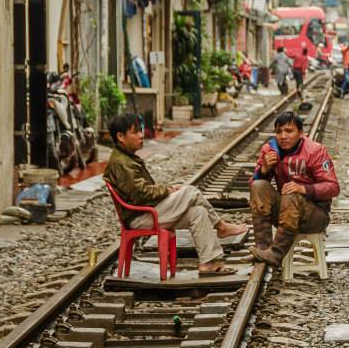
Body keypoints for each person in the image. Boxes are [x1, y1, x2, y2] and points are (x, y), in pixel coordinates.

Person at [104, 113, 247, 276]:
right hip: (141, 217)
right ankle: (221, 226)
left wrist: (168, 189)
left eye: (140, 131)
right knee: (191, 191)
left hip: (147, 211)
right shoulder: (121, 163)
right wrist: (167, 191)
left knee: (198, 213)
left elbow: (141, 191)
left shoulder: (126, 158)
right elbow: (140, 194)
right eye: (135, 132)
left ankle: (208, 263)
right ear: (121, 136)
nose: (141, 135)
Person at [248, 111, 340, 267]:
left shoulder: (315, 151)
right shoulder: (270, 150)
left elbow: (333, 187)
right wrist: (263, 170)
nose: (283, 136)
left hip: (315, 216)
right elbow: (253, 188)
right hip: (286, 214)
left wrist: (303, 189)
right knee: (259, 186)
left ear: (300, 133)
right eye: (279, 132)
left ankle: (276, 253)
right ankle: (262, 249)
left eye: (289, 131)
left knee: (292, 194)